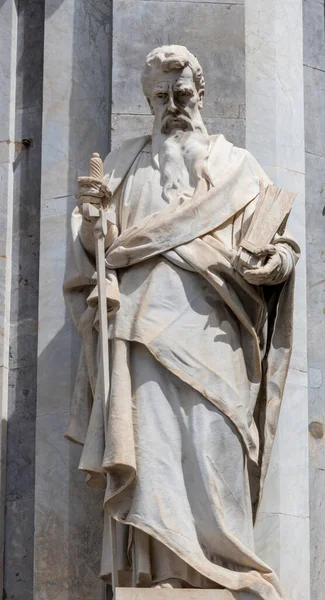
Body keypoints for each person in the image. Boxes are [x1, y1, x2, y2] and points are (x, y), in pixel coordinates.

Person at [63, 45, 299, 600]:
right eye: (161, 97)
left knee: (215, 442)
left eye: (183, 94)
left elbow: (279, 244)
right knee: (154, 450)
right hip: (142, 331)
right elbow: (95, 253)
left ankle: (223, 563)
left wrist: (274, 261)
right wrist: (92, 224)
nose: (173, 106)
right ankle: (158, 572)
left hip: (219, 331)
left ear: (201, 95)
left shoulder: (240, 168)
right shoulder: (123, 164)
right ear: (149, 101)